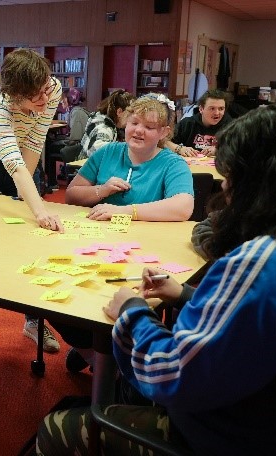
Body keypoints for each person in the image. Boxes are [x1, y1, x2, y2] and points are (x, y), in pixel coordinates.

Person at [37, 104, 276, 456]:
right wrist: (185, 294)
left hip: (247, 435)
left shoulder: (268, 260)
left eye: (232, 180)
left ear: (255, 185)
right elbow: (267, 321)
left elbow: (171, 375)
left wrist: (131, 312)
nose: (227, 193)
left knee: (54, 429)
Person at [60, 93, 194, 372]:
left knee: (121, 298)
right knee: (62, 290)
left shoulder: (172, 163)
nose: (138, 130)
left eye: (149, 126)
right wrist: (102, 190)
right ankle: (91, 352)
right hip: (94, 247)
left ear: (164, 133)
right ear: (124, 123)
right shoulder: (108, 152)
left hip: (142, 256)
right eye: (134, 122)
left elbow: (183, 207)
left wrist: (126, 210)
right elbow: (72, 194)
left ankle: (112, 357)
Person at [0, 48, 64, 352]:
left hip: (23, 164)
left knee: (28, 238)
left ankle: (34, 321)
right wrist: (41, 210)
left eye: (45, 91)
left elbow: (35, 139)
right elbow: (13, 164)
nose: (45, 101)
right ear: (15, 95)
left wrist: (29, 203)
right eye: (35, 98)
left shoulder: (51, 88)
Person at [167, 89, 232, 157]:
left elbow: (240, 149)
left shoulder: (231, 126)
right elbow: (164, 141)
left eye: (221, 109)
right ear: (201, 109)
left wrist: (219, 150)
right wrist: (179, 149)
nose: (217, 113)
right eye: (212, 108)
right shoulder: (187, 123)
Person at [78, 89, 136, 159]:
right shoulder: (103, 127)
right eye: (129, 114)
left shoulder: (109, 123)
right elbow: (96, 152)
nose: (132, 119)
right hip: (86, 167)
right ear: (119, 112)